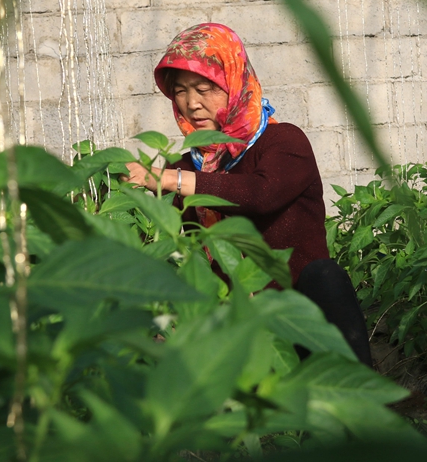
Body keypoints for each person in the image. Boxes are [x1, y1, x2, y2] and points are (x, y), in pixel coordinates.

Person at [122, 23, 372, 366]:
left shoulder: (284, 142)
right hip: (236, 323)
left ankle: (363, 396)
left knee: (325, 277)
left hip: (300, 316)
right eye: (180, 91)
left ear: (234, 82)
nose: (192, 103)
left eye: (204, 87)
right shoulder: (183, 167)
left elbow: (260, 194)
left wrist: (172, 180)